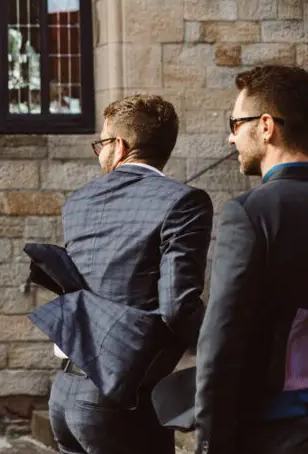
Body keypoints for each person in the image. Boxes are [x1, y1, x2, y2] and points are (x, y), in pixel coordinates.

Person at [48, 95, 213, 454]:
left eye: (102, 144)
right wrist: (221, 346)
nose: (99, 153)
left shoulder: (80, 199)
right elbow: (178, 304)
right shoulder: (183, 201)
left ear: (119, 147)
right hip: (123, 399)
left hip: (64, 394)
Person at [195, 65, 308, 454]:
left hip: (280, 427)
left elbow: (221, 342)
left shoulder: (251, 213)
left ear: (265, 126)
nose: (230, 137)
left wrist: (209, 442)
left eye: (235, 122)